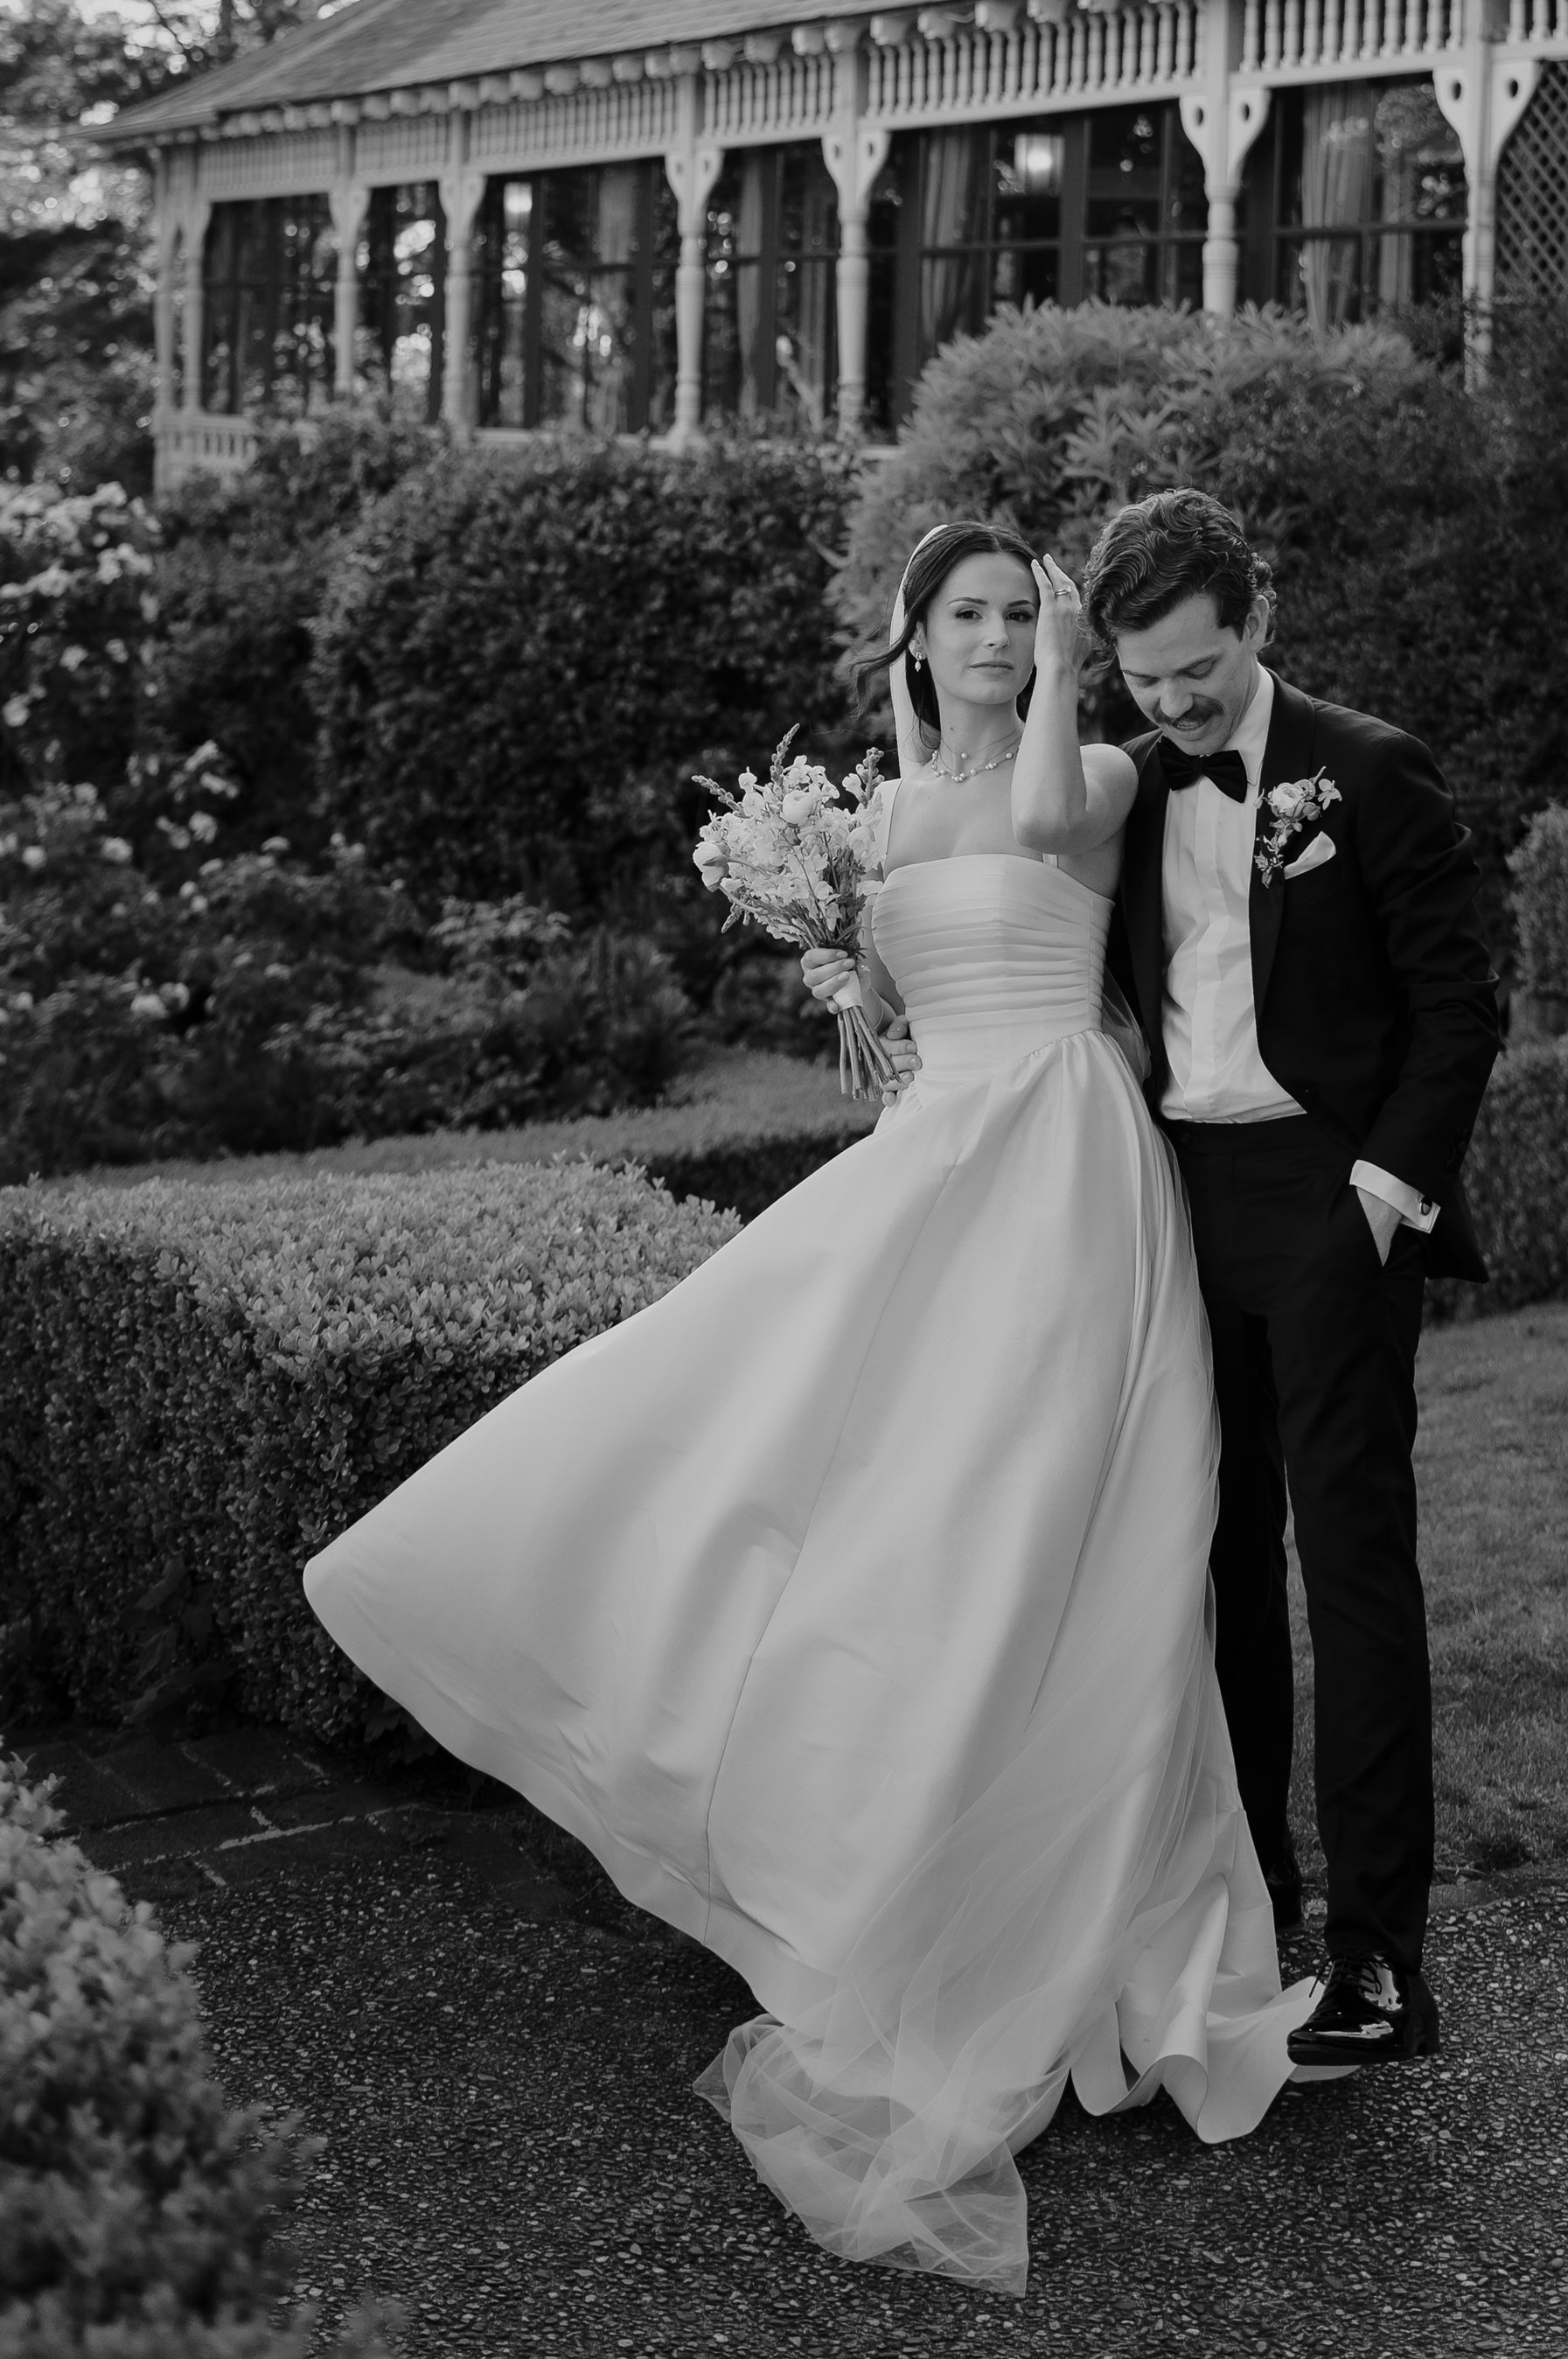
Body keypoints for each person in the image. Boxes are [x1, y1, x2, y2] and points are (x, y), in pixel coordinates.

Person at [303, 519, 1326, 2302]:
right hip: (939, 1165)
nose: (1002, 635)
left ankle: (1089, 1926)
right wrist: (856, 985)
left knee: (1066, 1527)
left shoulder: (1087, 765)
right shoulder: (864, 818)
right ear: (913, 637)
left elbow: (1030, 846)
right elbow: (901, 1005)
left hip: (1069, 1172)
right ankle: (875, 1857)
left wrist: (1072, 660)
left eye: (1021, 611)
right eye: (972, 616)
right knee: (832, 1473)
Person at [1082, 488, 1502, 2070]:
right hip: (1173, 1201)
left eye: (1197, 669)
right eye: (1145, 678)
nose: (1175, 703)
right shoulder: (1118, 786)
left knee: (1352, 1562)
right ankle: (1253, 1897)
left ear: (1254, 620)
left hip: (1332, 1202)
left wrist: (1381, 1204)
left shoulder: (1371, 770)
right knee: (1213, 1563)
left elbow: (1457, 1009)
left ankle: (1383, 1961)